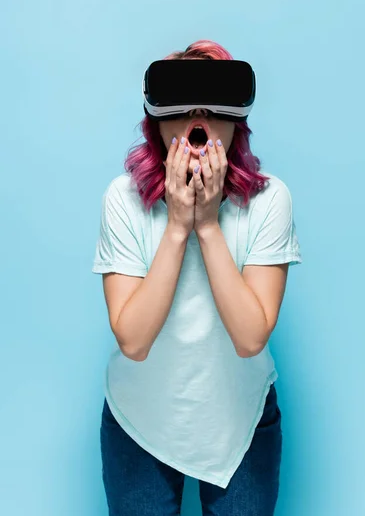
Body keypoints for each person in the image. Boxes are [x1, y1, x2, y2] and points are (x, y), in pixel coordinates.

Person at [92, 39, 302, 515]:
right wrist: (176, 226)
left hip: (239, 420)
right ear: (156, 123)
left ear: (236, 122)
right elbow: (134, 341)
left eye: (212, 112)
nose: (198, 128)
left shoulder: (270, 202)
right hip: (138, 420)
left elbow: (250, 338)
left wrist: (207, 226)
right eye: (183, 111)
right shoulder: (122, 200)